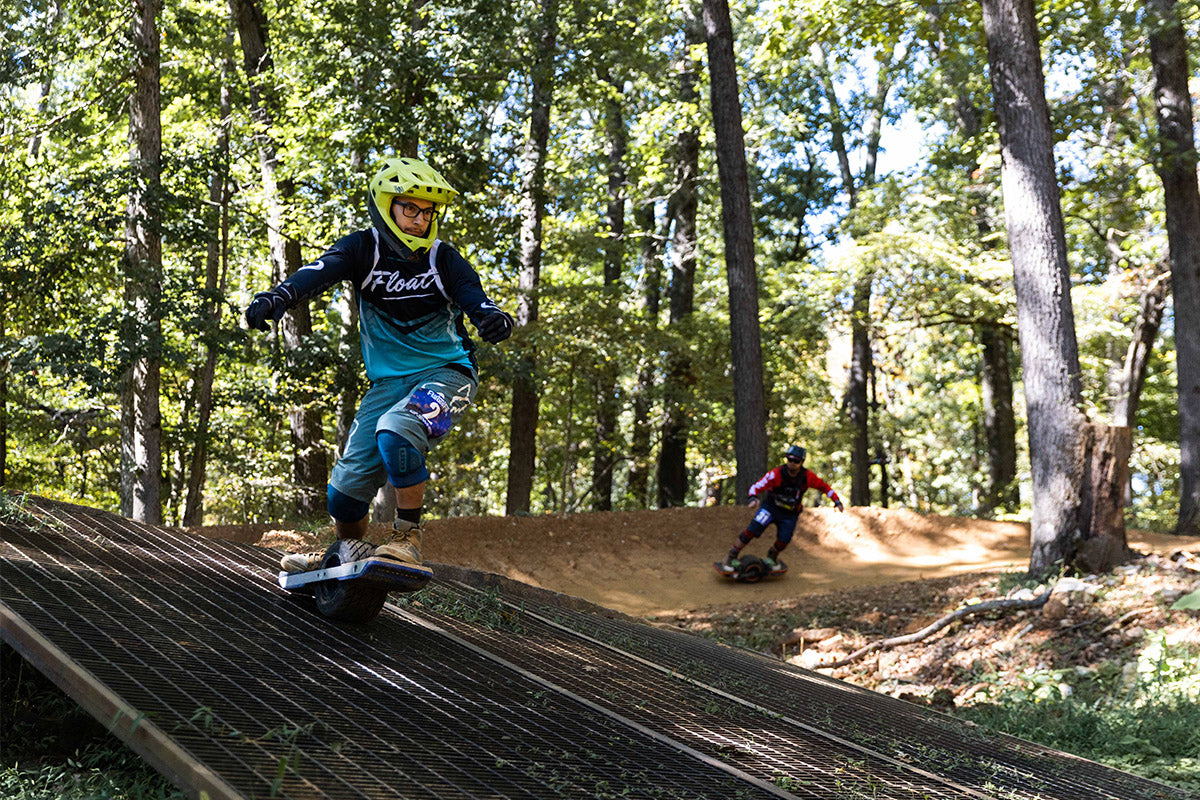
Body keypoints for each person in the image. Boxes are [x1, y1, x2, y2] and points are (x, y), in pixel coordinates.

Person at [245, 156, 513, 576]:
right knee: (344, 494)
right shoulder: (361, 249)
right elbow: (318, 272)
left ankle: (407, 539)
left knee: (398, 429)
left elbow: (474, 295)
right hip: (387, 383)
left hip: (448, 374)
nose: (421, 220)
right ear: (385, 206)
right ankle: (345, 551)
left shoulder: (443, 258)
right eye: (411, 209)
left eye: (428, 212)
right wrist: (277, 298)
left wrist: (491, 318)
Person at [718, 445, 844, 576]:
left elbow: (825, 488)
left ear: (802, 462)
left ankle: (772, 556)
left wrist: (837, 501)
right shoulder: (776, 474)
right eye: (789, 459)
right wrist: (753, 498)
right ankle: (731, 555)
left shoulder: (807, 477)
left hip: (789, 514)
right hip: (770, 508)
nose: (792, 463)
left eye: (796, 461)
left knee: (784, 539)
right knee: (753, 529)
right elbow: (756, 486)